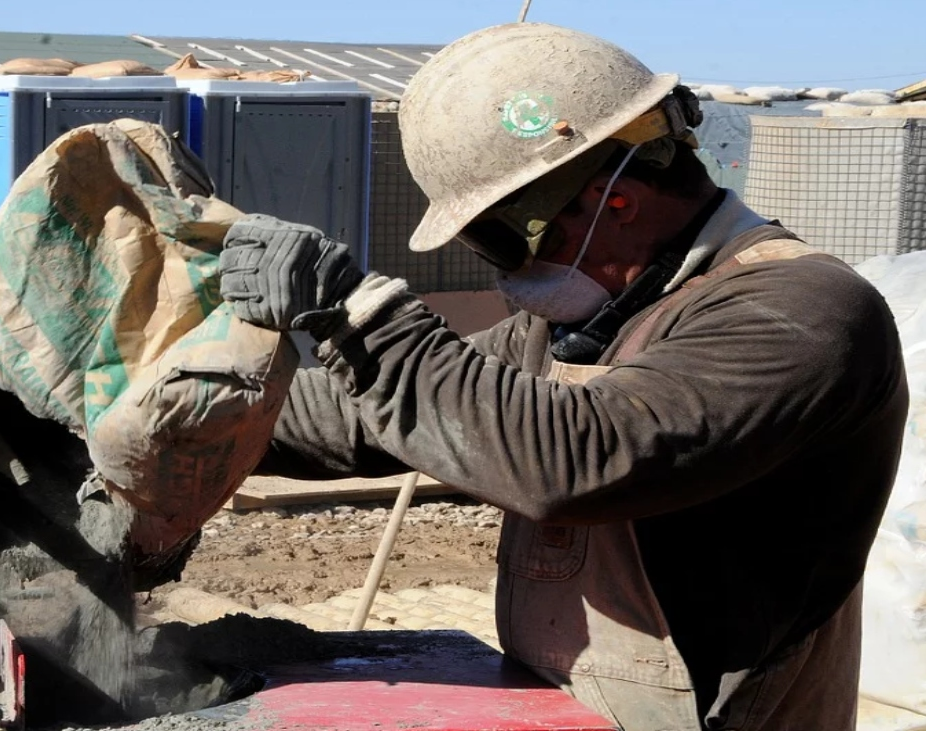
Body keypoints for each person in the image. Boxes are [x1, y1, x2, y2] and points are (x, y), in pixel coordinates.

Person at [216, 22, 909, 731]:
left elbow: (577, 456)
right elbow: (369, 413)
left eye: (498, 237)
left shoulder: (804, 312)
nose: (504, 269)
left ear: (617, 197)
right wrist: (178, 409)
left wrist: (359, 315)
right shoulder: (589, 323)